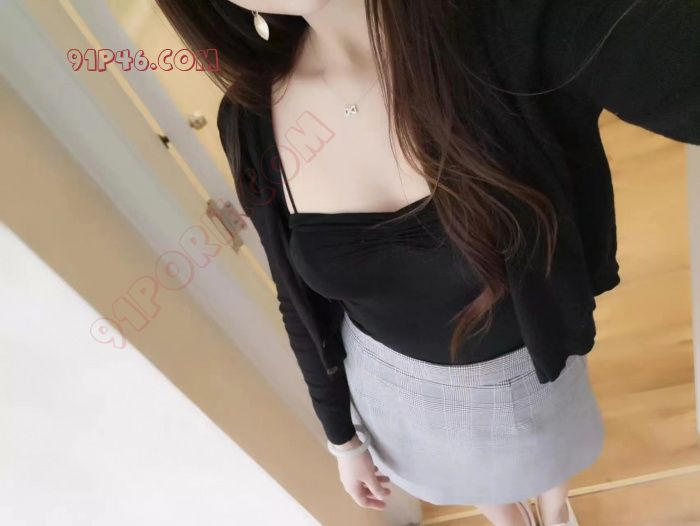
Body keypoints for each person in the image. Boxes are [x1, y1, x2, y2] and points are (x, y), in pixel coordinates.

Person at [156, 1, 700, 524]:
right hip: (391, 388)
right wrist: (342, 439)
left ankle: (555, 511)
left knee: (552, 461)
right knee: (474, 484)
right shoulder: (252, 120)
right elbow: (295, 298)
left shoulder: (509, 26)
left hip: (527, 364)